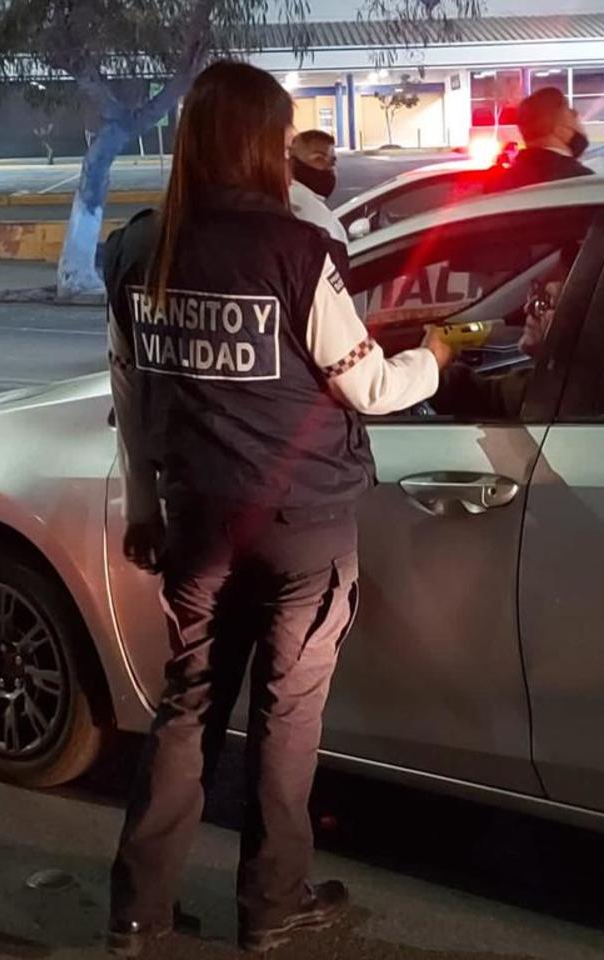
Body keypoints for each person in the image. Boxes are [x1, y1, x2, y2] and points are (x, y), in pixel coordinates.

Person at [103, 61, 455, 957]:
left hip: (195, 520)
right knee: (286, 720)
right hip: (300, 527)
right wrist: (438, 357)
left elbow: (131, 393)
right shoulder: (296, 251)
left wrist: (142, 505)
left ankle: (137, 911)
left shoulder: (138, 249)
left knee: (188, 708)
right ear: (265, 143)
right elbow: (370, 387)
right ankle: (270, 907)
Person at [484, 86, 594, 194]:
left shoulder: (498, 184)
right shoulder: (582, 182)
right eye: (572, 115)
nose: (577, 117)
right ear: (561, 131)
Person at [288, 130, 348, 247]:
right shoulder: (311, 211)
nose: (328, 167)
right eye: (319, 159)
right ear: (292, 162)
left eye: (332, 161)